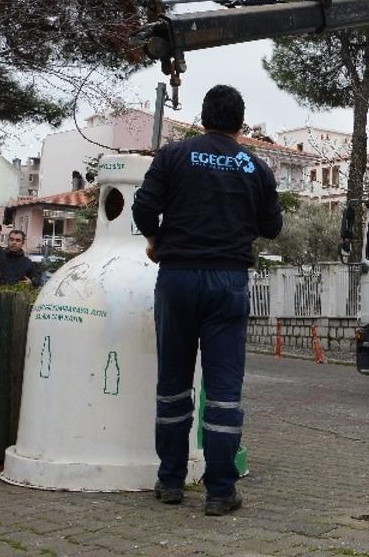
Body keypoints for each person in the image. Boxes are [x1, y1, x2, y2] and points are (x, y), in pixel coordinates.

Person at [132, 85, 282, 517]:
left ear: (203, 117)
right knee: (223, 392)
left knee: (172, 384)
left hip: (177, 277)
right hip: (228, 282)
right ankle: (220, 491)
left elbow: (143, 209)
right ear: (240, 122)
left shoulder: (173, 156)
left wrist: (156, 240)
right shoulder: (255, 166)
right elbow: (272, 227)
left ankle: (170, 481)